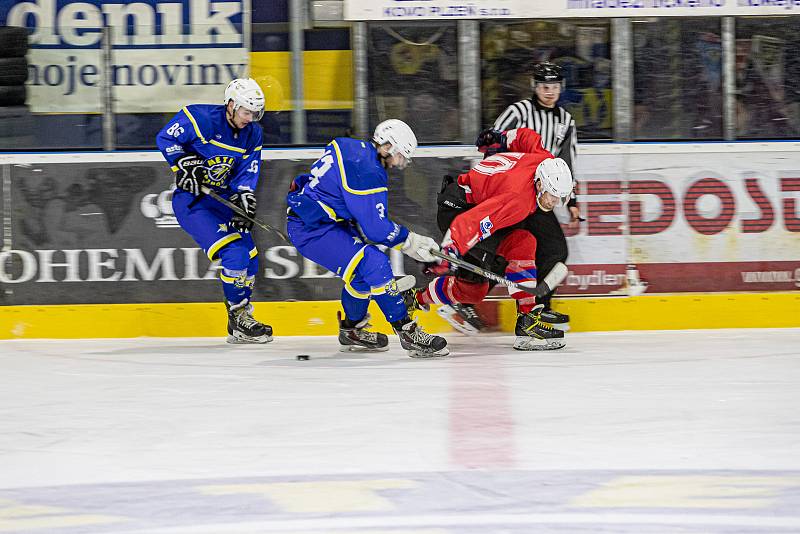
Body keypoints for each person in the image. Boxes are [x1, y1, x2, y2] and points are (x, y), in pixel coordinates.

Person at [286, 119, 449, 358]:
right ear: (387, 146)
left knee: (362, 275)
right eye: (401, 155)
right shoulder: (368, 169)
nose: (401, 163)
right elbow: (376, 230)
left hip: (320, 221)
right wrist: (412, 242)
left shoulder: (351, 148)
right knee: (375, 262)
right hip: (313, 228)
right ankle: (407, 331)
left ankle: (352, 330)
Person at [409, 127, 573, 351]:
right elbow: (471, 222)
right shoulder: (517, 201)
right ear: (540, 184)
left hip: (477, 204)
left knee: (523, 243)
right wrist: (449, 252)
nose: (554, 202)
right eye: (552, 195)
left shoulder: (545, 161)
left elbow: (528, 137)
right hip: (458, 209)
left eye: (559, 197)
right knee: (472, 290)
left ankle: (526, 322)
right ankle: (416, 298)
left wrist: (504, 137)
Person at [156, 78, 271, 344]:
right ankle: (239, 317)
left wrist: (244, 197)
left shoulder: (253, 133)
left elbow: (248, 169)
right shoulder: (200, 117)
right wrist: (182, 163)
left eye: (255, 113)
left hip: (224, 201)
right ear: (231, 105)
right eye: (246, 111)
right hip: (193, 201)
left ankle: (241, 318)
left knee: (251, 258)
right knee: (235, 253)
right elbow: (166, 138)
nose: (250, 118)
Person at [474, 61, 579, 331]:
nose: (549, 91)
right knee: (517, 251)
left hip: (539, 199)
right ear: (535, 86)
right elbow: (493, 142)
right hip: (512, 193)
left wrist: (573, 199)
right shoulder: (519, 112)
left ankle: (537, 308)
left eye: (555, 86)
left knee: (547, 250)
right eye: (545, 86)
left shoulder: (565, 121)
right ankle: (465, 293)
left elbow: (567, 160)